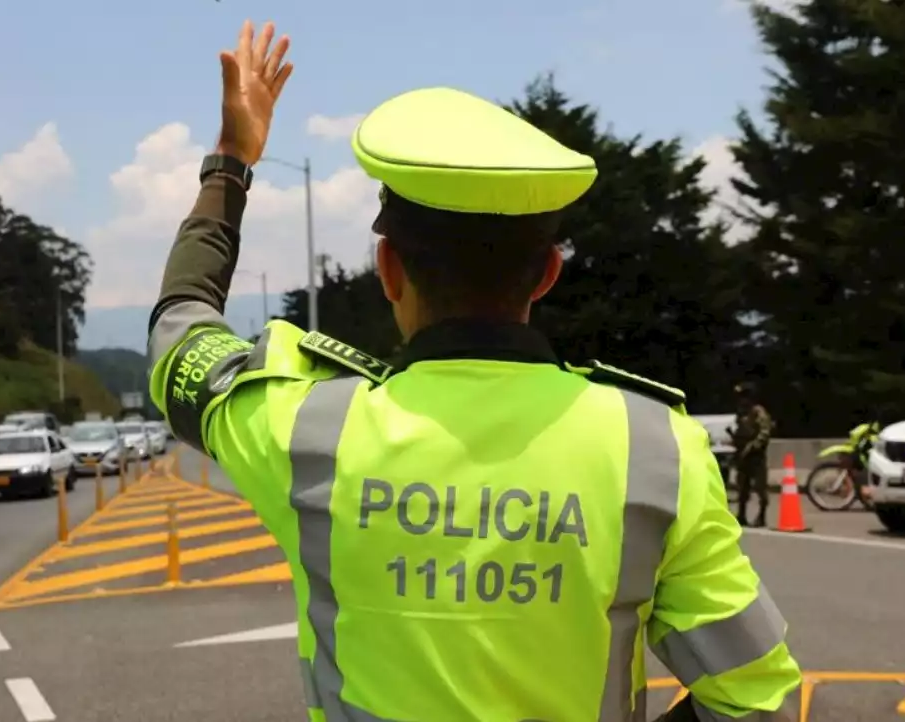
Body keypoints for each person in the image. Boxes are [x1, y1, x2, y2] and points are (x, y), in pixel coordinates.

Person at [147, 20, 801, 722]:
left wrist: (231, 162)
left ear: (389, 269)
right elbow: (755, 692)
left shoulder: (304, 431)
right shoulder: (657, 451)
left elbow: (180, 331)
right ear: (547, 273)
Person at [730, 382, 774, 527]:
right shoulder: (742, 412)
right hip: (743, 455)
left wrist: (753, 446)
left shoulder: (758, 412)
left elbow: (765, 432)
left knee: (760, 487)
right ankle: (741, 515)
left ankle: (761, 516)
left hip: (756, 456)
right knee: (742, 487)